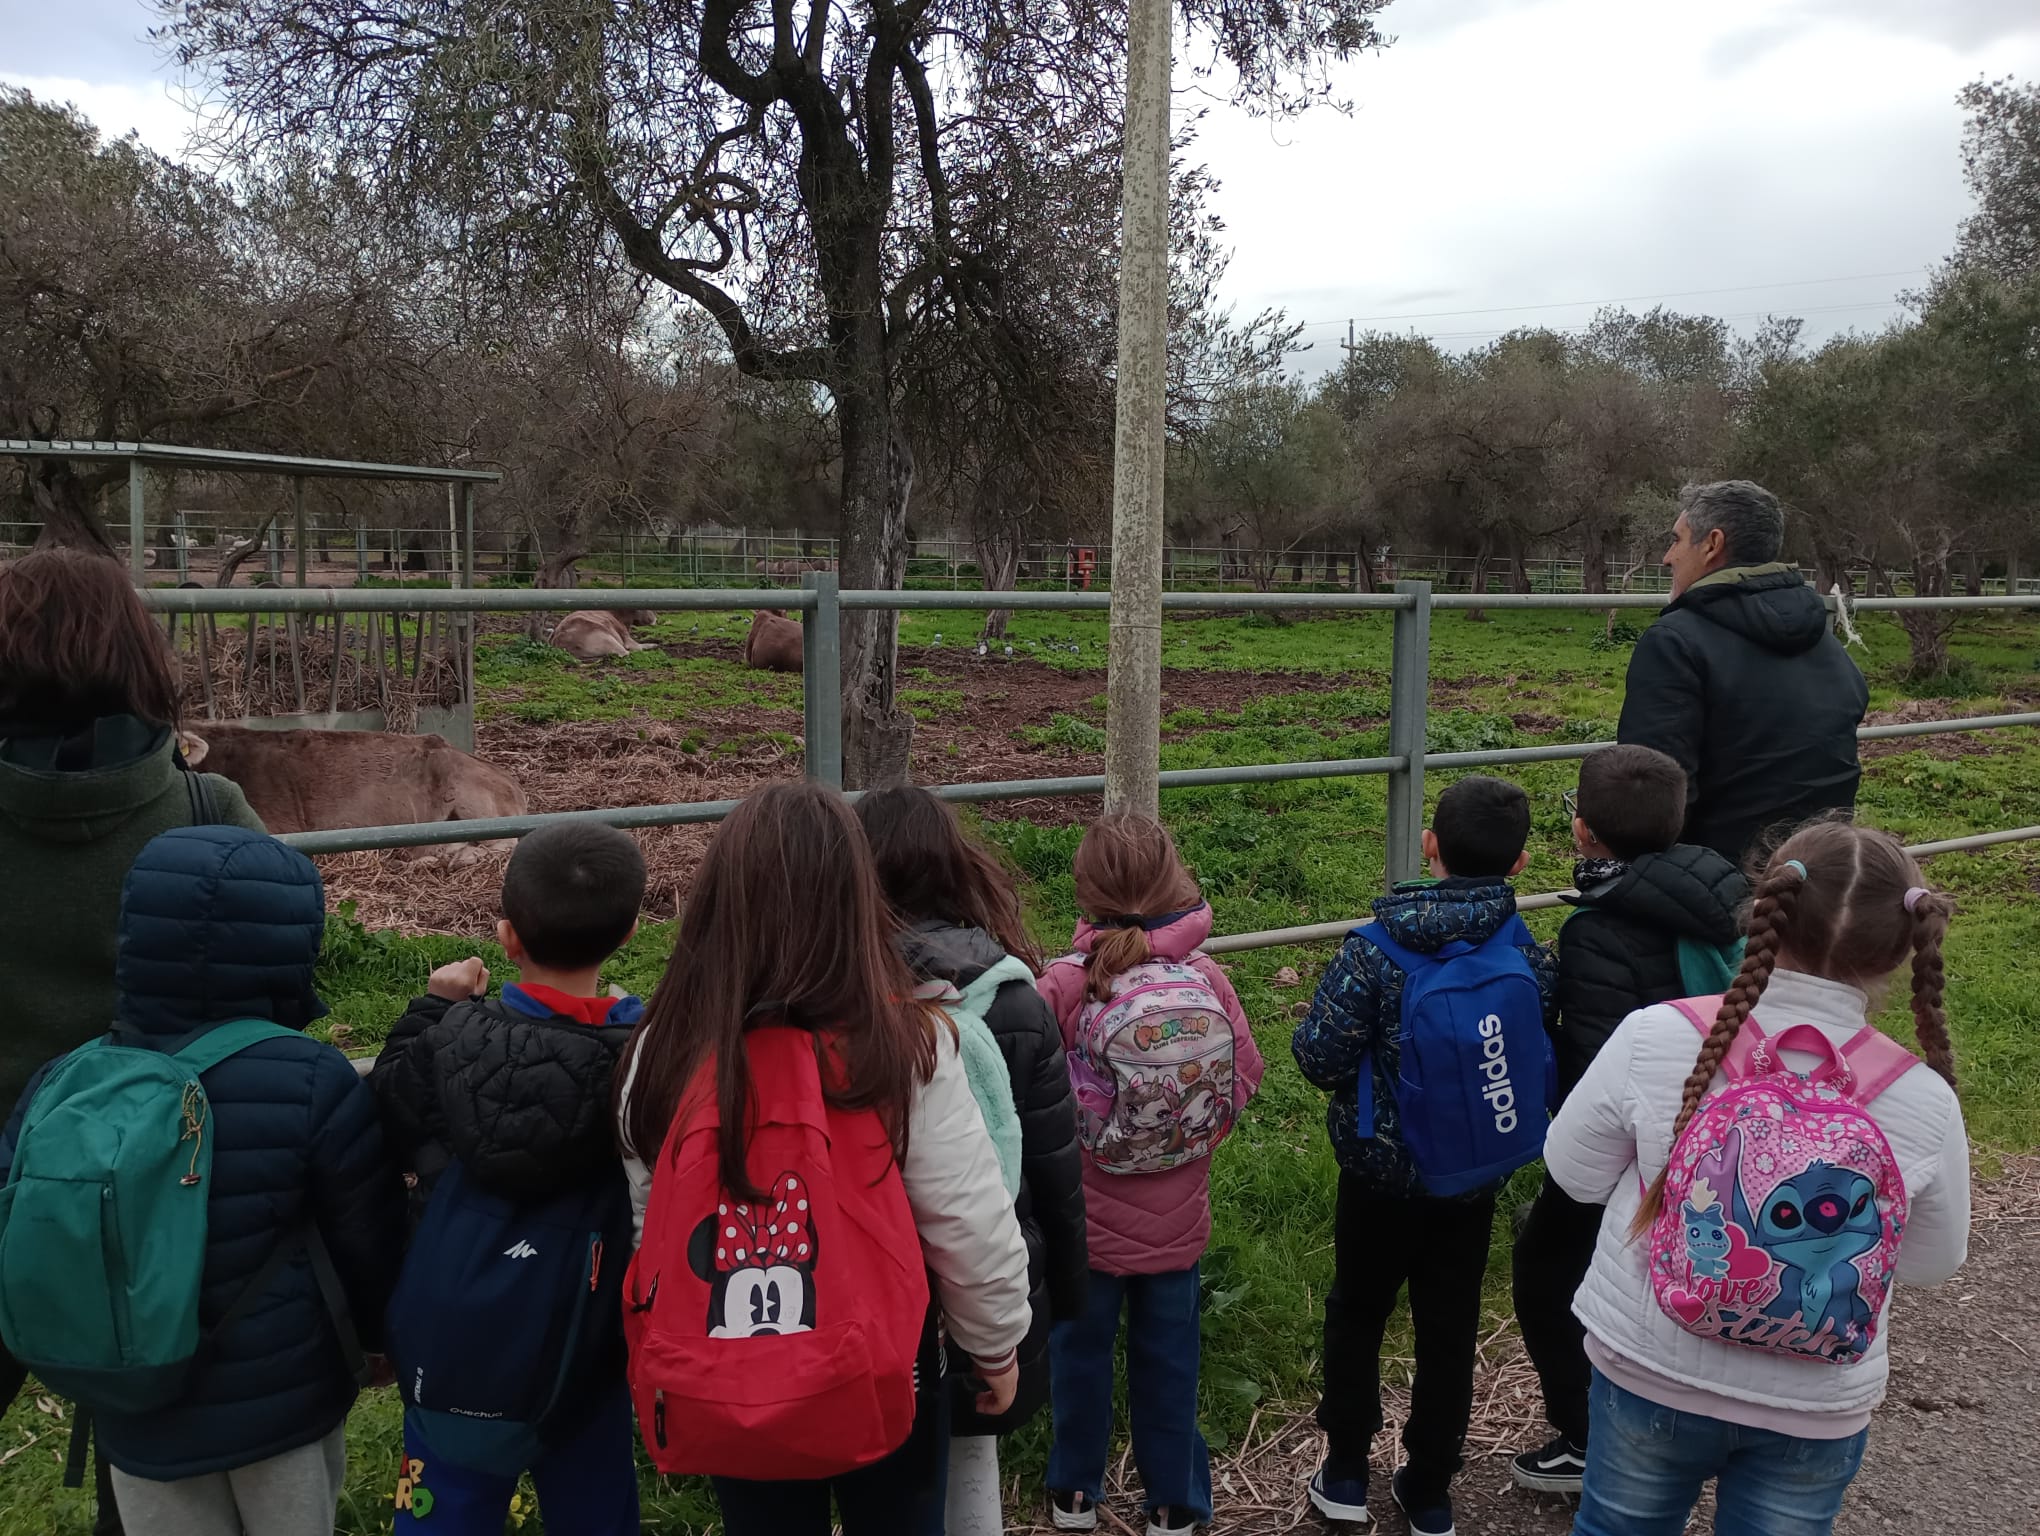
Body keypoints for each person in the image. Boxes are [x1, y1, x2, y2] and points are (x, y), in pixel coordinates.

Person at [615, 781, 1030, 1536]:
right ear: (856, 901)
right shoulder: (912, 1045)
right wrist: (996, 1346)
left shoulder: (662, 1050)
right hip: (887, 1364)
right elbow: (967, 1218)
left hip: (728, 1370)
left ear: (716, 904)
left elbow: (653, 1215)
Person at [1545, 822, 1969, 1536]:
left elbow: (1576, 1175)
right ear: (1902, 948)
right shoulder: (1923, 1098)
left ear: (1764, 905)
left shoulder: (1658, 1034)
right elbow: (1930, 1261)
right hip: (1816, 1402)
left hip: (1651, 1364)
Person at [0, 826, 402, 1536]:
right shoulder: (310, 1077)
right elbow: (363, 1235)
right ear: (287, 945)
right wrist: (379, 1341)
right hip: (282, 1402)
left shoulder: (63, 1080)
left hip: (135, 1404)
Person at [1292, 776, 1556, 1536]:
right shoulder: (1525, 950)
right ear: (1519, 864)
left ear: (1428, 846)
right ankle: (1432, 1487)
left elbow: (1320, 1059)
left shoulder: (1373, 951)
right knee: (1450, 1325)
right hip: (1471, 1177)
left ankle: (1345, 1470)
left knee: (1358, 1312)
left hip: (1376, 1175)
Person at [371, 821, 649, 1535]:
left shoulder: (449, 1039)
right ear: (630, 933)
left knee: (435, 1517)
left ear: (507, 937)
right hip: (585, 1349)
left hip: (450, 1351)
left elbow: (391, 1103)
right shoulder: (645, 1063)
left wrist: (433, 1005)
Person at [1508, 745, 1748, 1496]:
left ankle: (1589, 1438)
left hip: (1650, 1138)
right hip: (1738, 1129)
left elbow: (1594, 1062)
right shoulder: (1724, 892)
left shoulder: (1599, 929)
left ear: (1582, 833)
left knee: (1546, 1269)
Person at [854, 788, 1089, 1536]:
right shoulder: (1012, 1002)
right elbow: (1053, 1166)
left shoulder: (834, 995)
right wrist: (1062, 1297)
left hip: (865, 1293)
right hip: (984, 1285)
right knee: (968, 1452)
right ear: (956, 867)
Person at [1037, 813, 1265, 1536]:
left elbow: (1030, 1096)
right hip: (1178, 1222)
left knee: (1079, 1356)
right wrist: (1180, 1132)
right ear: (1176, 880)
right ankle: (1175, 1502)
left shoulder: (1067, 985)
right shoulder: (1204, 976)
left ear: (1084, 891)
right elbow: (1245, 1080)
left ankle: (1074, 1492)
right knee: (1171, 1361)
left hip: (1085, 1226)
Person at [1617, 480, 1869, 866]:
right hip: (1818, 876)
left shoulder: (1674, 642)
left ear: (1712, 544)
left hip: (1718, 887)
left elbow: (1652, 797)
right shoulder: (1821, 638)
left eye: (1676, 540)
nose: (1667, 557)